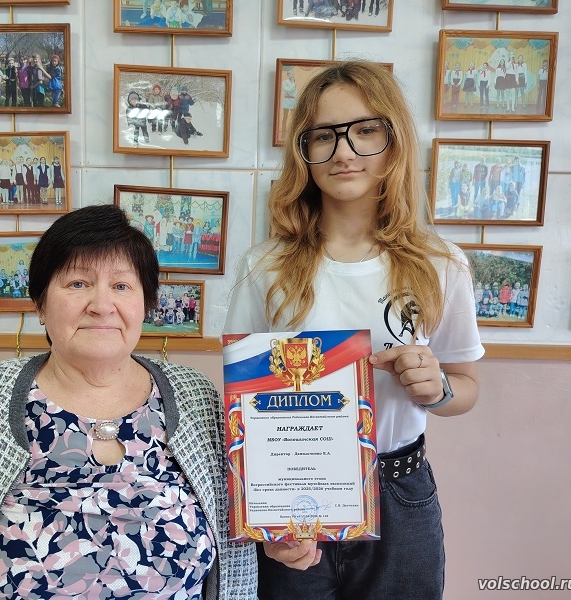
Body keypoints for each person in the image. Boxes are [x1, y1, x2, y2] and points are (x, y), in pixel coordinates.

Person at [0, 203, 257, 599]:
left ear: (146, 304)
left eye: (121, 286)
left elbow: (237, 550)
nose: (101, 305)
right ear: (40, 304)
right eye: (78, 284)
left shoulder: (196, 399)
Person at [223, 61, 483, 600]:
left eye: (365, 130)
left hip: (399, 489)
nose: (343, 151)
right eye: (323, 136)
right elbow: (242, 404)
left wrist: (438, 388)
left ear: (395, 141)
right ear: (303, 153)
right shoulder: (264, 267)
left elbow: (466, 387)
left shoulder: (440, 264)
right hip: (294, 491)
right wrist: (263, 517)